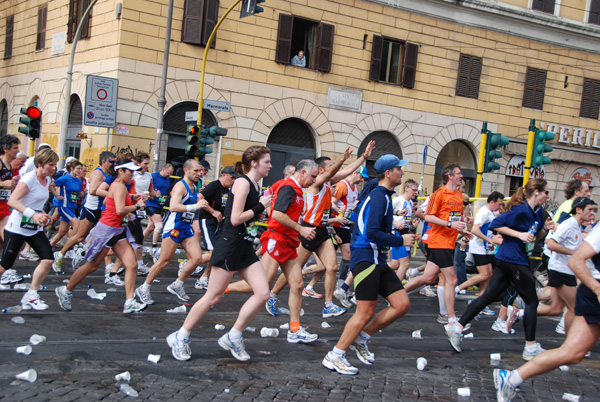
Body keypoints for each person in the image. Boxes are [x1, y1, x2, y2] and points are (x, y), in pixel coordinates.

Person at [166, 146, 272, 362]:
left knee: (263, 293)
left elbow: (246, 216)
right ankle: (180, 335)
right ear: (254, 163)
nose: (270, 165)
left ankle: (234, 335)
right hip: (230, 243)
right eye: (267, 162)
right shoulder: (242, 183)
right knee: (213, 296)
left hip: (244, 245)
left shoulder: (255, 185)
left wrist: (259, 211)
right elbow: (234, 219)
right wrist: (261, 205)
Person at [322, 154, 416, 375]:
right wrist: (399, 239)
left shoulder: (383, 196)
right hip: (366, 259)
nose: (402, 172)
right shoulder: (379, 197)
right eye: (399, 169)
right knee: (364, 312)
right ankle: (334, 355)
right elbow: (372, 233)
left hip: (376, 259)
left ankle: (361, 339)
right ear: (388, 173)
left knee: (402, 304)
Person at [446, 179, 554, 359]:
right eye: (546, 192)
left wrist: (545, 230)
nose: (547, 196)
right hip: (513, 259)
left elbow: (534, 237)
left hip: (509, 258)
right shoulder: (521, 209)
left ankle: (457, 328)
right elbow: (497, 225)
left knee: (489, 295)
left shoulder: (537, 213)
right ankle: (530, 346)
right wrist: (519, 234)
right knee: (532, 302)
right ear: (536, 192)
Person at [493, 221, 600, 402]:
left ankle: (511, 378)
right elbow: (576, 260)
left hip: (588, 293)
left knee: (572, 353)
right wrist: (597, 289)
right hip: (591, 294)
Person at [55, 159, 147, 314]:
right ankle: (66, 290)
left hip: (118, 230)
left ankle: (129, 302)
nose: (133, 174)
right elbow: (119, 210)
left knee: (131, 265)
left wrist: (132, 198)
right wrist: (137, 205)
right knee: (92, 266)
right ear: (120, 171)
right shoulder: (118, 186)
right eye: (130, 171)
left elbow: (106, 200)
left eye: (133, 171)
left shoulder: (120, 186)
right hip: (106, 230)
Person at [403, 163, 473, 326]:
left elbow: (454, 219)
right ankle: (451, 319)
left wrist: (464, 224)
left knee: (428, 278)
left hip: (448, 242)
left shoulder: (458, 195)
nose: (461, 176)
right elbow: (428, 217)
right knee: (452, 279)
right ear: (450, 176)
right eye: (458, 173)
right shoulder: (438, 194)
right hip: (437, 241)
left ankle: (395, 294)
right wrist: (450, 225)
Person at [259, 159, 319, 342]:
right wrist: (301, 229)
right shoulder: (289, 187)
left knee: (298, 284)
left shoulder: (296, 189)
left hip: (288, 242)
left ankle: (295, 330)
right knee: (260, 288)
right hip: (277, 240)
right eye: (313, 176)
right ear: (303, 172)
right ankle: (222, 290)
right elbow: (277, 214)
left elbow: (270, 195)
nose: (314, 181)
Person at [135, 159, 209, 305]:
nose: (200, 173)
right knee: (164, 261)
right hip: (174, 228)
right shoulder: (180, 186)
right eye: (196, 171)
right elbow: (174, 206)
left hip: (186, 228)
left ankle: (178, 284)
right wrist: (194, 206)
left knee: (197, 258)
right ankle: (144, 288)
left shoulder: (194, 186)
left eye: (201, 171)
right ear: (186, 171)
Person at [0, 148, 56, 306]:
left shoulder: (47, 180)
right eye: (50, 164)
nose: (53, 168)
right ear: (39, 164)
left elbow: (36, 203)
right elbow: (12, 201)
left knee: (48, 259)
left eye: (55, 165)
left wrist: (45, 215)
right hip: (17, 227)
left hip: (34, 228)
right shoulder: (29, 179)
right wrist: (33, 215)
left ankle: (31, 294)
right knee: (5, 265)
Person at [536, 197, 597, 333]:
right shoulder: (569, 224)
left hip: (565, 269)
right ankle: (571, 341)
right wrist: (573, 252)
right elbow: (550, 243)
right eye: (590, 209)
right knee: (575, 307)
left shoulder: (577, 226)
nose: (592, 213)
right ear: (579, 210)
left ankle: (519, 312)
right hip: (561, 269)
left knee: (555, 309)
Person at [52, 152, 117, 273]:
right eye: (112, 162)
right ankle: (60, 255)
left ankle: (108, 268)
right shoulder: (98, 173)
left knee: (107, 237)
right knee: (79, 237)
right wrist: (113, 195)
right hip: (91, 209)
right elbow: (93, 191)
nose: (114, 164)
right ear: (104, 162)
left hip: (102, 209)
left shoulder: (110, 173)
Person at [194, 165, 239, 290]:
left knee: (219, 252)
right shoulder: (214, 185)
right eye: (232, 178)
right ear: (224, 175)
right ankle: (192, 263)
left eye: (235, 178)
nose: (233, 181)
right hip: (207, 220)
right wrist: (213, 211)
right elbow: (200, 198)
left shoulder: (228, 190)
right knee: (214, 252)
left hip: (218, 224)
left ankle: (203, 278)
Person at [331, 165, 369, 304]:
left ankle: (341, 286)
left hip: (345, 226)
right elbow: (331, 202)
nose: (361, 180)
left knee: (347, 256)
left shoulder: (355, 188)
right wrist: (339, 211)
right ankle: (306, 276)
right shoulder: (343, 185)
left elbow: (351, 206)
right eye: (361, 176)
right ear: (354, 172)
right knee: (326, 263)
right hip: (334, 225)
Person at [455, 191, 505, 295]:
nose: (500, 206)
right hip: (478, 247)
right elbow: (475, 230)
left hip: (485, 247)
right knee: (484, 275)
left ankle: (481, 300)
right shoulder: (484, 212)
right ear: (492, 202)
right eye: (499, 204)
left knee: (489, 274)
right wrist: (489, 240)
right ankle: (457, 289)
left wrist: (490, 243)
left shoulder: (490, 213)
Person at [50, 159, 83, 258]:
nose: (80, 171)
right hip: (64, 206)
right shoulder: (65, 178)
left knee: (62, 231)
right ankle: (71, 248)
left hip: (73, 206)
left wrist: (83, 193)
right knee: (77, 225)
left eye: (81, 169)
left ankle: (48, 246)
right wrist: (56, 195)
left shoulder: (78, 180)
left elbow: (79, 194)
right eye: (78, 168)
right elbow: (52, 185)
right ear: (72, 168)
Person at [144, 163, 174, 263]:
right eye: (168, 173)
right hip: (151, 204)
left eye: (170, 174)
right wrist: (152, 195)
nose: (169, 175)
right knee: (159, 226)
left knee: (150, 227)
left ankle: (137, 244)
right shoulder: (153, 176)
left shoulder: (167, 179)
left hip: (159, 205)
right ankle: (154, 247)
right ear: (163, 169)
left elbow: (165, 191)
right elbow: (147, 189)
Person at [0, 134, 21, 252]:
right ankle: (6, 266)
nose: (17, 151)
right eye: (15, 148)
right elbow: (4, 183)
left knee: (3, 240)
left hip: (4, 204)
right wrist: (4, 183)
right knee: (7, 236)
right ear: (5, 149)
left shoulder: (10, 166)